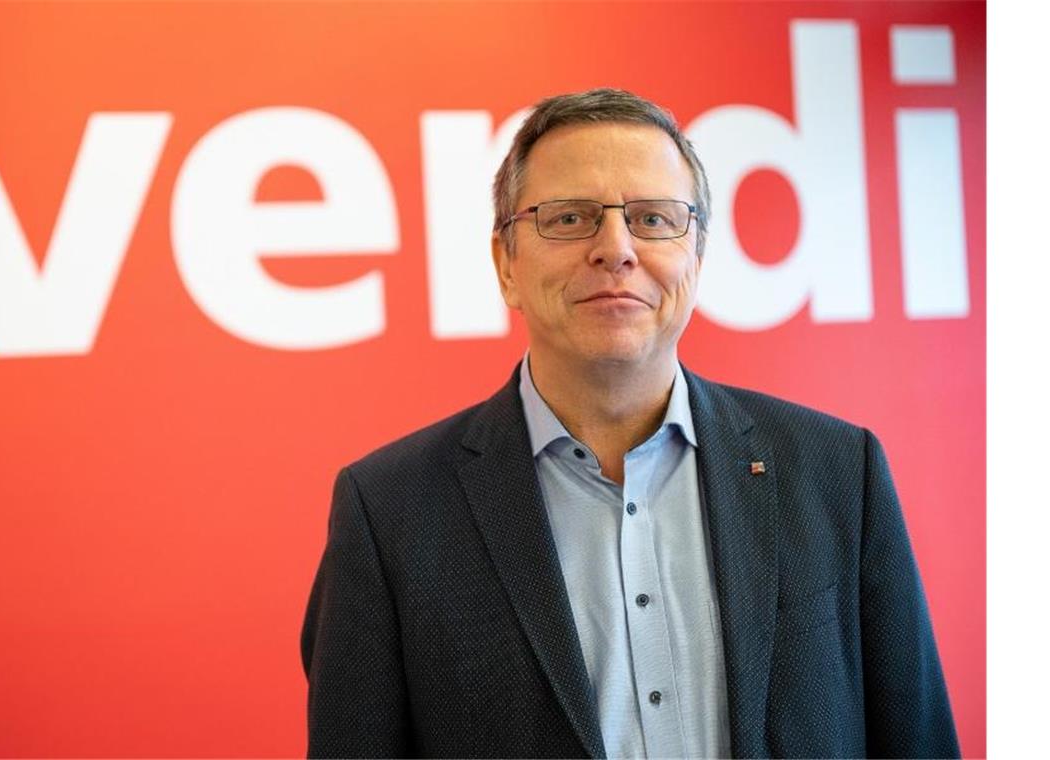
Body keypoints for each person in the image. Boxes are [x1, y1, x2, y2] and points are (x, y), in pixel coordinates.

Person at [300, 88, 959, 759]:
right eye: (569, 219)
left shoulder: (836, 471)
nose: (616, 249)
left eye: (652, 218)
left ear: (696, 258)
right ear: (506, 264)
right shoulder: (390, 512)